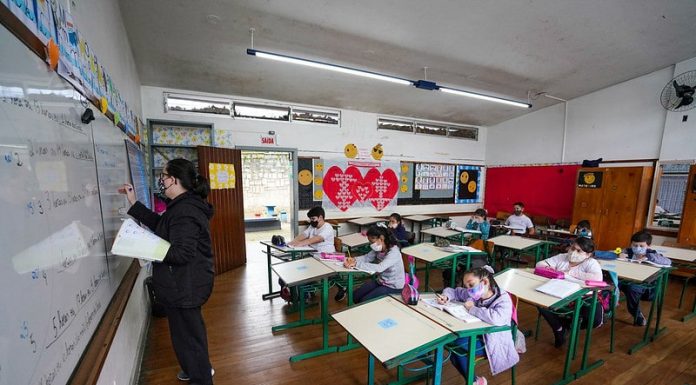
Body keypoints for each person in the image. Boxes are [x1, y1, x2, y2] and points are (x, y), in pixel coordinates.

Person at [120, 158, 215, 385]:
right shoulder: (180, 206)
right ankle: (193, 369)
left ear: (174, 179)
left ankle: (201, 377)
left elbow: (182, 254)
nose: (161, 179)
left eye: (163, 175)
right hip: (180, 284)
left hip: (186, 285)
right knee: (183, 334)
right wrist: (133, 203)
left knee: (190, 337)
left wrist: (147, 247)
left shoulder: (185, 211)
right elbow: (161, 225)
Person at [437, 266, 519, 385]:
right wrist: (446, 296)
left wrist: (472, 309)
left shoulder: (503, 298)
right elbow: (454, 291)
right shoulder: (475, 294)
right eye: (466, 286)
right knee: (454, 349)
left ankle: (474, 381)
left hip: (493, 341)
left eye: (471, 285)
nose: (468, 290)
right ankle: (476, 381)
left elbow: (496, 318)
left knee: (457, 347)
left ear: (485, 282)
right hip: (477, 334)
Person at [535, 237, 603, 347]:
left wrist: (568, 273)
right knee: (540, 301)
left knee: (594, 320)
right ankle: (558, 328)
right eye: (572, 248)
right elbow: (539, 265)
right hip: (559, 291)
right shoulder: (562, 257)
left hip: (584, 296)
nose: (573, 252)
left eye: (579, 251)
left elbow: (596, 278)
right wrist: (551, 269)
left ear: (588, 254)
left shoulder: (591, 263)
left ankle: (567, 325)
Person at [619, 230, 672, 326]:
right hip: (630, 281)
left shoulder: (653, 254)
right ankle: (607, 309)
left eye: (641, 246)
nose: (637, 248)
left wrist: (648, 256)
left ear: (648, 246)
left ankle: (637, 315)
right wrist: (619, 255)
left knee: (632, 288)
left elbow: (668, 261)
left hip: (648, 288)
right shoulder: (628, 251)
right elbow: (615, 253)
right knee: (613, 282)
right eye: (635, 245)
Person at [343, 225, 405, 303]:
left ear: (381, 238)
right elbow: (367, 258)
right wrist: (354, 259)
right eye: (370, 242)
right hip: (381, 281)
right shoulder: (379, 248)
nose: (371, 245)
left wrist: (355, 264)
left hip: (393, 286)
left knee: (364, 301)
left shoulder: (394, 252)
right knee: (354, 296)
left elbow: (380, 268)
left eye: (372, 242)